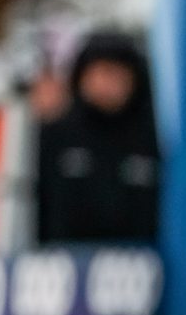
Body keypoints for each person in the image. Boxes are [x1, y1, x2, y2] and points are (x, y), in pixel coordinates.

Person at [36, 32, 161, 244]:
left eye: (119, 74)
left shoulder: (155, 141)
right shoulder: (55, 136)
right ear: (82, 76)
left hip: (138, 267)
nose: (109, 83)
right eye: (102, 72)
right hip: (65, 264)